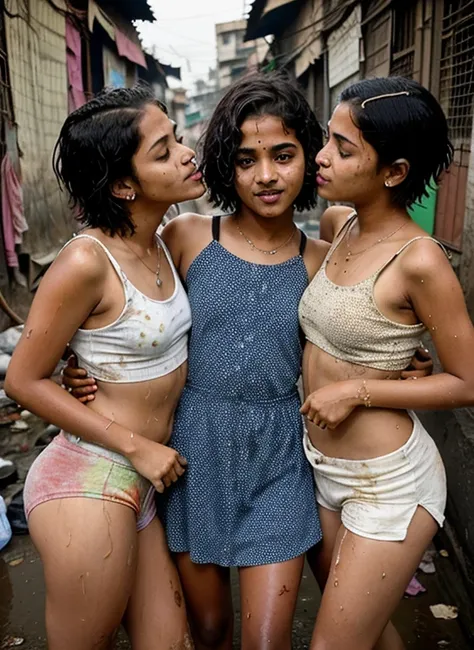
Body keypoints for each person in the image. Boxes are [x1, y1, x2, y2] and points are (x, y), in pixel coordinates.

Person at [63, 73, 433, 650]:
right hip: (194, 452)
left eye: (283, 156)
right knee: (210, 629)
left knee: (265, 639)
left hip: (282, 453)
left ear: (309, 158)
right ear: (223, 167)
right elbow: (136, 306)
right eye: (244, 160)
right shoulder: (187, 236)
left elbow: (359, 327)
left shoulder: (323, 260)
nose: (265, 176)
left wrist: (402, 362)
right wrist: (82, 360)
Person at [5, 84, 205, 650]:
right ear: (123, 185)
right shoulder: (85, 261)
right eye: (163, 152)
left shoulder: (163, 242)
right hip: (90, 481)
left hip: (138, 482)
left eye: (178, 141)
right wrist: (136, 445)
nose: (186, 154)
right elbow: (21, 379)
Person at [299, 76, 474, 650]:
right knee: (364, 636)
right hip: (321, 469)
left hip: (388, 484)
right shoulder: (340, 224)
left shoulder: (420, 261)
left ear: (394, 172)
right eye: (328, 139)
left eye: (344, 150)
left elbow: (468, 382)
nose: (321, 157)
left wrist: (360, 392)